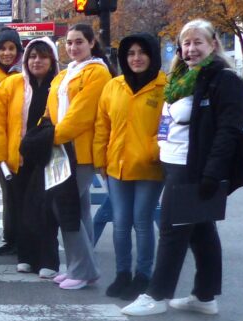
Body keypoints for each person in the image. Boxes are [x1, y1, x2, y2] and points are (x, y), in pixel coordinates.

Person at [122, 19, 243, 317]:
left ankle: (156, 295)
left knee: (172, 230)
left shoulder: (223, 79)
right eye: (186, 43)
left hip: (193, 168)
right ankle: (204, 297)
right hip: (174, 163)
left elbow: (228, 130)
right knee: (201, 230)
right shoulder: (182, 77)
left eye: (198, 42)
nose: (191, 49)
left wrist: (212, 172)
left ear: (213, 44)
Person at [93, 33, 166, 300]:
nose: (136, 58)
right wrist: (100, 158)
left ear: (152, 55)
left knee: (142, 222)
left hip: (149, 166)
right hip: (116, 167)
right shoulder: (114, 86)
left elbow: (170, 128)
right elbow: (102, 126)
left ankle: (143, 275)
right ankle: (122, 273)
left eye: (142, 52)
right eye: (130, 53)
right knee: (121, 223)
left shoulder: (164, 87)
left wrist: (153, 151)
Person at [44, 24, 111, 289]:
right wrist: (44, 130)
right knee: (80, 210)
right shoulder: (65, 73)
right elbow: (51, 110)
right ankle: (79, 267)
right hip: (63, 148)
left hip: (79, 150)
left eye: (79, 42)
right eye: (69, 42)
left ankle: (83, 269)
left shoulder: (97, 73)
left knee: (64, 207)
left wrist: (51, 137)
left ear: (92, 43)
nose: (73, 47)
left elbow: (81, 115)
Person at [0, 37, 60, 278]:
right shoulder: (12, 84)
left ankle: (47, 259)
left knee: (45, 209)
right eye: (32, 56)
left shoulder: (60, 85)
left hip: (50, 156)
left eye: (43, 56)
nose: (37, 61)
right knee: (21, 208)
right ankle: (26, 256)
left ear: (52, 60)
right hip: (18, 156)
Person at [0, 28, 25, 257]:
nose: (7, 53)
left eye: (11, 48)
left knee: (26, 194)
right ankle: (11, 238)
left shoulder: (28, 71)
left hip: (23, 142)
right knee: (7, 195)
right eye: (2, 48)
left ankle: (26, 237)